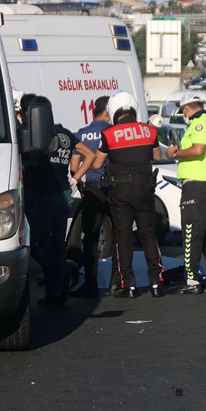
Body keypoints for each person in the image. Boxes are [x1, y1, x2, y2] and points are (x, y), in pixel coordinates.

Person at [19, 94, 92, 308]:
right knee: (58, 244)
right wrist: (75, 178)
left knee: (30, 241)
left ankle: (57, 270)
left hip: (43, 196)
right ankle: (56, 292)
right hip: (63, 195)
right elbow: (90, 155)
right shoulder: (65, 134)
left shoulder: (34, 134)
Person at [93, 90, 165, 298]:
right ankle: (156, 282)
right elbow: (157, 157)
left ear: (114, 111)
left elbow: (98, 163)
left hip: (119, 192)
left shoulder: (109, 134)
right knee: (149, 235)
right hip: (145, 190)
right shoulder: (149, 131)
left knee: (123, 237)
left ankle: (129, 285)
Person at [165, 91, 206, 294]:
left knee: (191, 232)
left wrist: (176, 152)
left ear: (187, 109)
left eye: (184, 110)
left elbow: (198, 150)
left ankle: (192, 281)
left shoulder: (199, 123)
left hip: (196, 185)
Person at [69, 95, 115, 297]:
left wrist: (80, 182)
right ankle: (119, 282)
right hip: (112, 189)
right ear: (108, 112)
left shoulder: (81, 133)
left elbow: (73, 167)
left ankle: (91, 284)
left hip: (90, 190)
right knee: (121, 235)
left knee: (90, 239)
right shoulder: (112, 132)